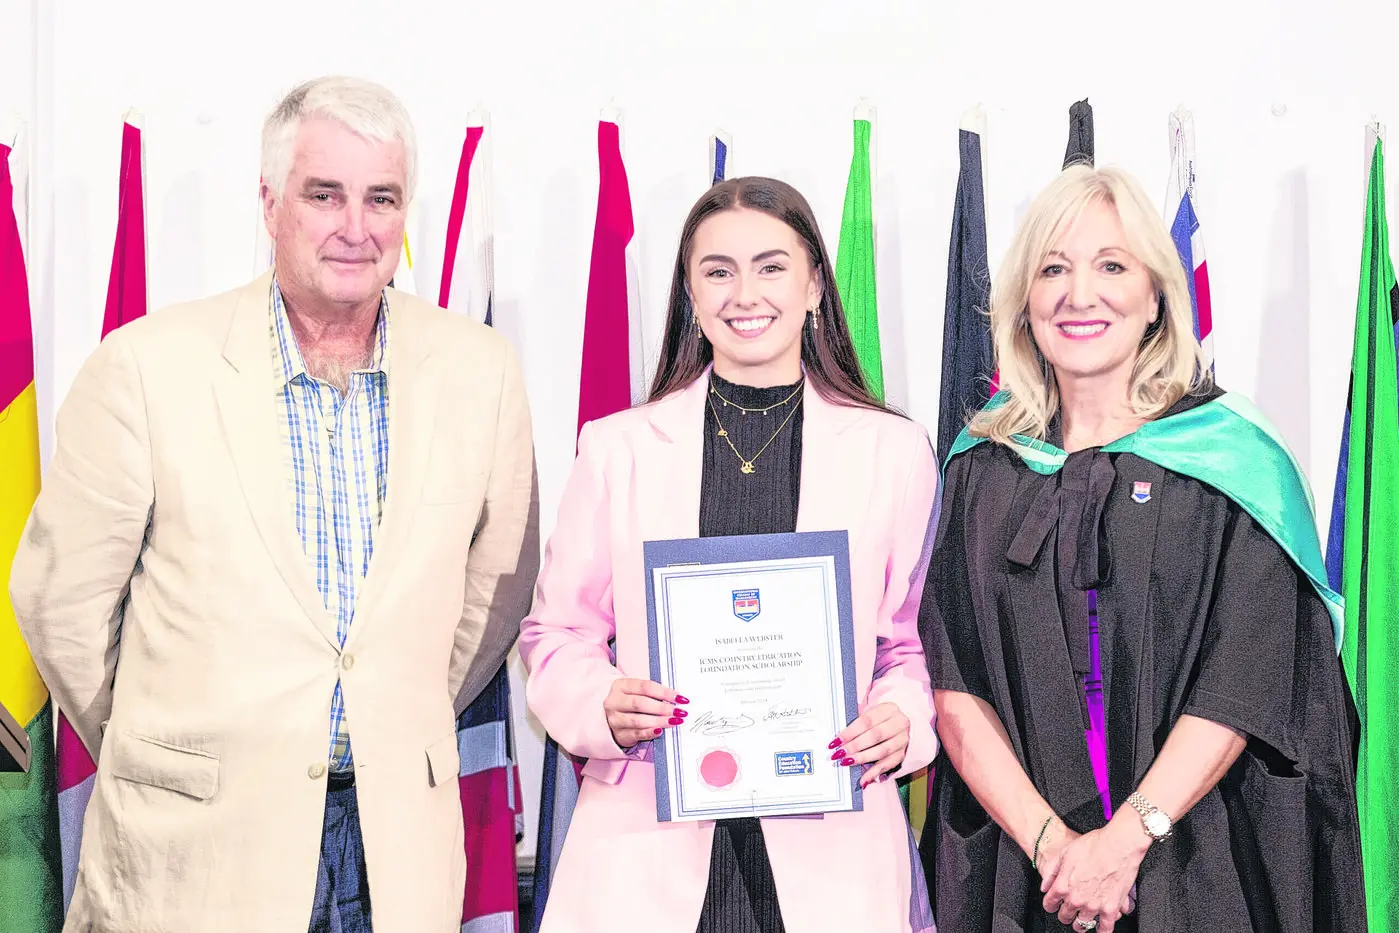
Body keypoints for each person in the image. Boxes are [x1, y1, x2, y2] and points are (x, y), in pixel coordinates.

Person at [8, 75, 540, 933]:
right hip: (196, 851)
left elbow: (496, 594)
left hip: (396, 849)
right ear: (269, 201)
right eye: (324, 195)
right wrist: (176, 732)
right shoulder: (146, 367)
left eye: (382, 199)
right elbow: (60, 601)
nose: (355, 227)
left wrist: (380, 712)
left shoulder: (481, 373)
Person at [918, 163, 1368, 933]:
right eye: (1052, 269)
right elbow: (954, 681)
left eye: (1111, 266)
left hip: (1198, 853)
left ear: (1156, 293)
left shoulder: (1233, 458)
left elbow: (1246, 681)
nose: (1079, 293)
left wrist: (1121, 845)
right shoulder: (979, 467)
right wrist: (1055, 846)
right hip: (1026, 866)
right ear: (1023, 300)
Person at [519, 176, 939, 932]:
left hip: (831, 848)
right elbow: (555, 636)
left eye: (771, 266)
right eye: (718, 270)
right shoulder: (616, 447)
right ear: (689, 292)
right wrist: (601, 704)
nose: (745, 292)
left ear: (815, 284)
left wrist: (901, 717)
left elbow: (911, 644)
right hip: (646, 845)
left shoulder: (894, 450)